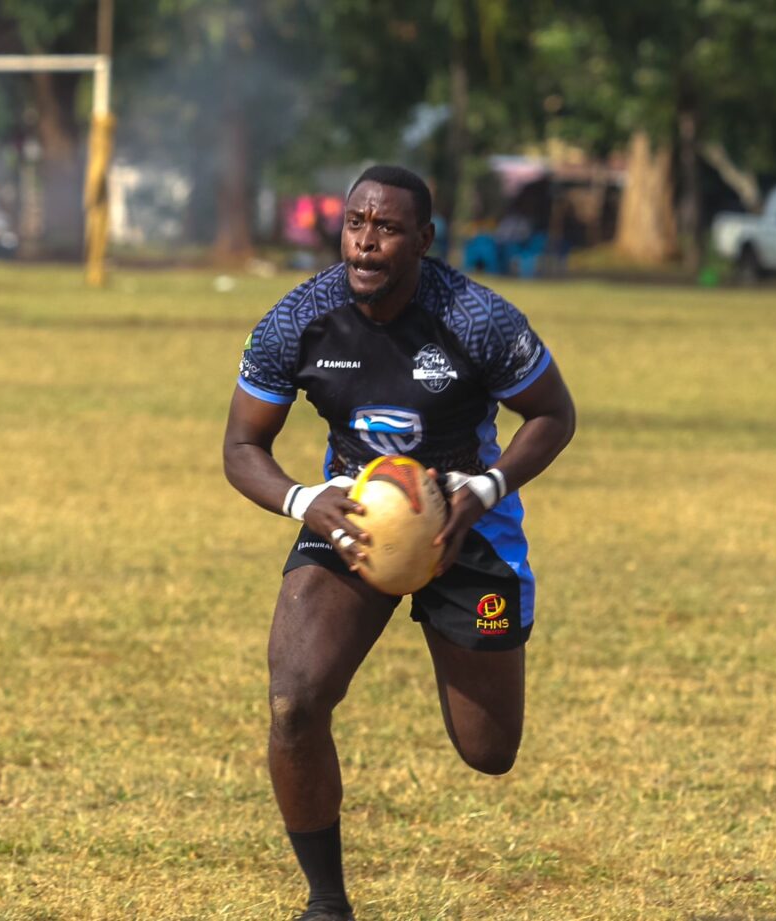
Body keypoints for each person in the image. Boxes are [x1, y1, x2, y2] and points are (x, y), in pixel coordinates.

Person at [223, 165, 576, 921]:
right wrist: (303, 500)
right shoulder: (299, 319)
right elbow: (241, 447)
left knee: (489, 751)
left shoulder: (477, 318)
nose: (366, 241)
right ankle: (326, 903)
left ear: (423, 239)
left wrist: (483, 487)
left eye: (385, 228)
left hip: (466, 530)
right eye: (355, 223)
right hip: (351, 522)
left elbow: (553, 414)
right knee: (294, 699)